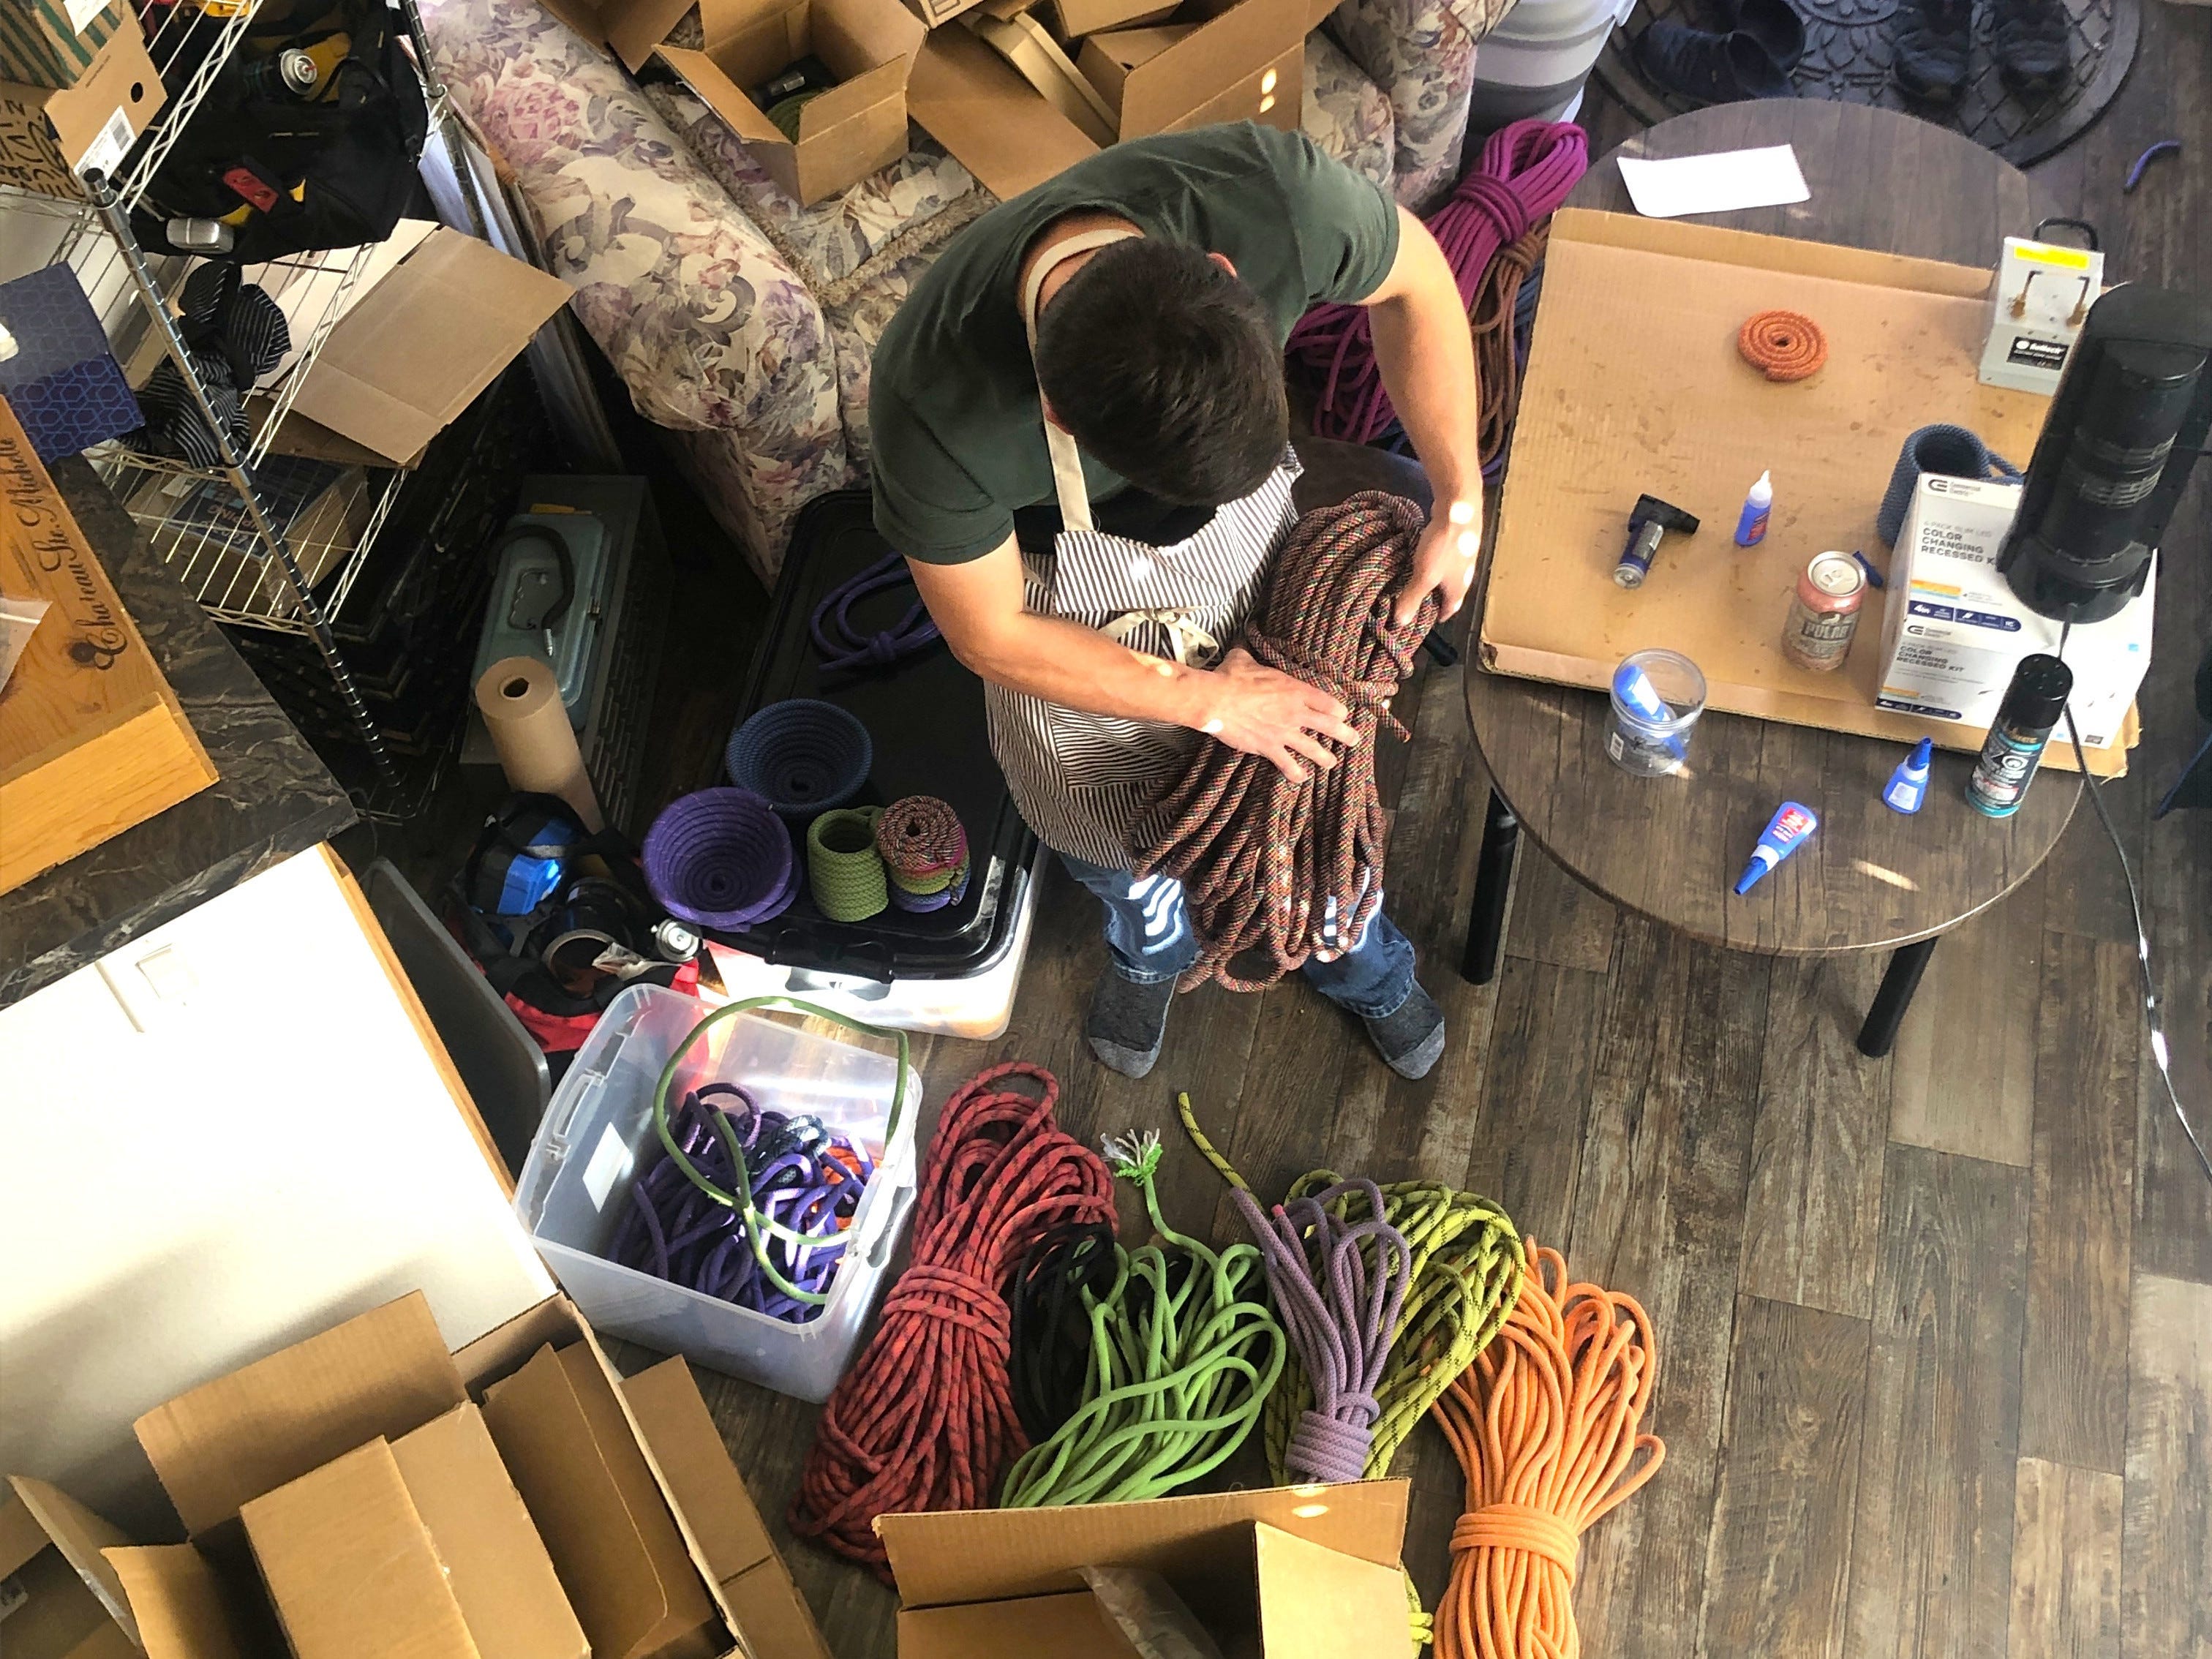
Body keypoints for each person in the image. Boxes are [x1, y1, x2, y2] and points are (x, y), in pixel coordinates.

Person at [868, 121, 1483, 1081]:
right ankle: (1149, 942)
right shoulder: (936, 406)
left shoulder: (1276, 196)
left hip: (1252, 559)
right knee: (1114, 846)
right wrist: (1213, 701)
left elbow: (1420, 283)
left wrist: (1459, 499)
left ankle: (1353, 953)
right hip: (1057, 600)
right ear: (1058, 418)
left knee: (1310, 818)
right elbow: (988, 633)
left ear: (1224, 270)